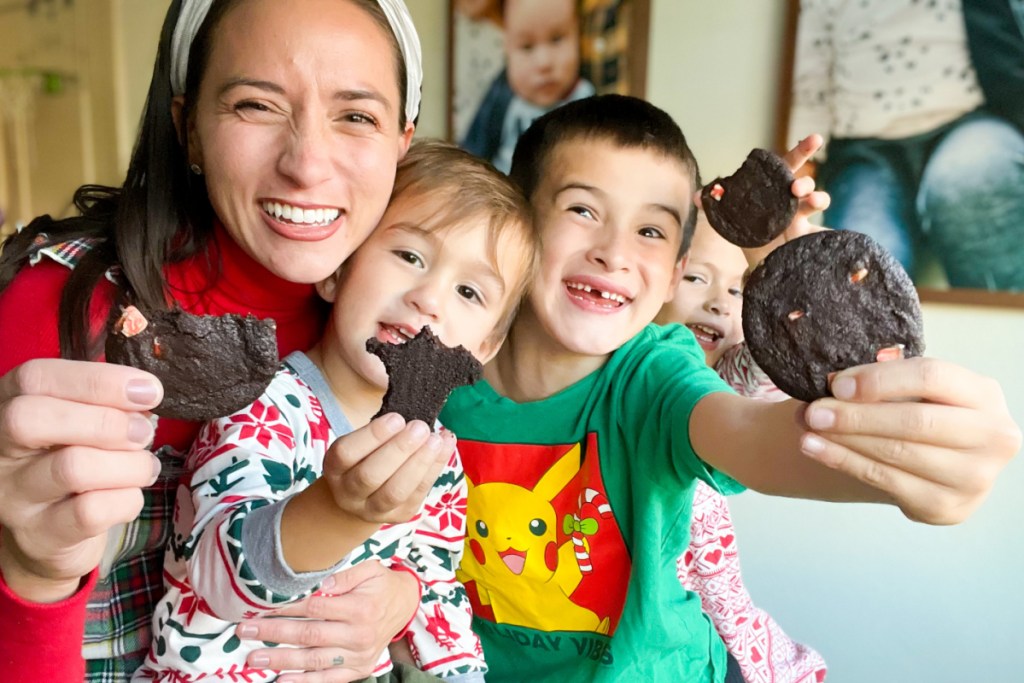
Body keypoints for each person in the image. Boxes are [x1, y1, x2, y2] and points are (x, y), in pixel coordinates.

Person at [439, 94, 1022, 683]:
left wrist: (913, 469)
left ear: (672, 271)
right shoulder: (438, 369)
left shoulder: (654, 379)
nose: (613, 253)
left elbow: (754, 434)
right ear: (514, 223)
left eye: (649, 230)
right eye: (583, 211)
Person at [0, 0, 441, 680]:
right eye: (256, 106)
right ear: (189, 129)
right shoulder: (59, 308)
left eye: (357, 116)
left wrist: (402, 594)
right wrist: (31, 573)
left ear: (402, 142)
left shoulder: (398, 321)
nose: (307, 164)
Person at [133, 140, 537, 682]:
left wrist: (437, 639)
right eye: (410, 257)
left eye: (469, 291)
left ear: (483, 349)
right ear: (336, 272)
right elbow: (214, 575)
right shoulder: (263, 407)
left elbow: (434, 584)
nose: (430, 298)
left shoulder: (436, 456)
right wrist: (343, 511)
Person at [658, 213, 828, 683]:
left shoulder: (721, 380)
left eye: (737, 291)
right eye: (696, 277)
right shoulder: (632, 375)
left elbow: (771, 355)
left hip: (716, 628)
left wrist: (778, 270)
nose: (719, 303)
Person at [790, 0, 1024, 290]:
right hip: (864, 150)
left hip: (970, 120)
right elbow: (810, 84)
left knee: (973, 184)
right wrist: (803, 168)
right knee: (862, 263)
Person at [461, 0, 595, 172]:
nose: (544, 62)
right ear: (507, 49)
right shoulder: (502, 96)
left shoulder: (586, 99)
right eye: (527, 47)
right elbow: (472, 155)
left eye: (557, 39)